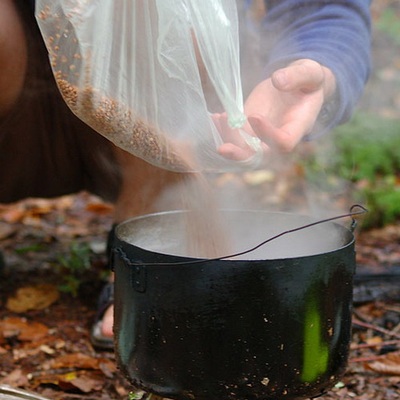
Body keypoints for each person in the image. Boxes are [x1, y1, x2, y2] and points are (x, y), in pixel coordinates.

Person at [0, 0, 371, 349]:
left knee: (156, 10)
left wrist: (318, 61)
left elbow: (326, 8)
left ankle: (154, 261)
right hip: (17, 90)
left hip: (154, 118)